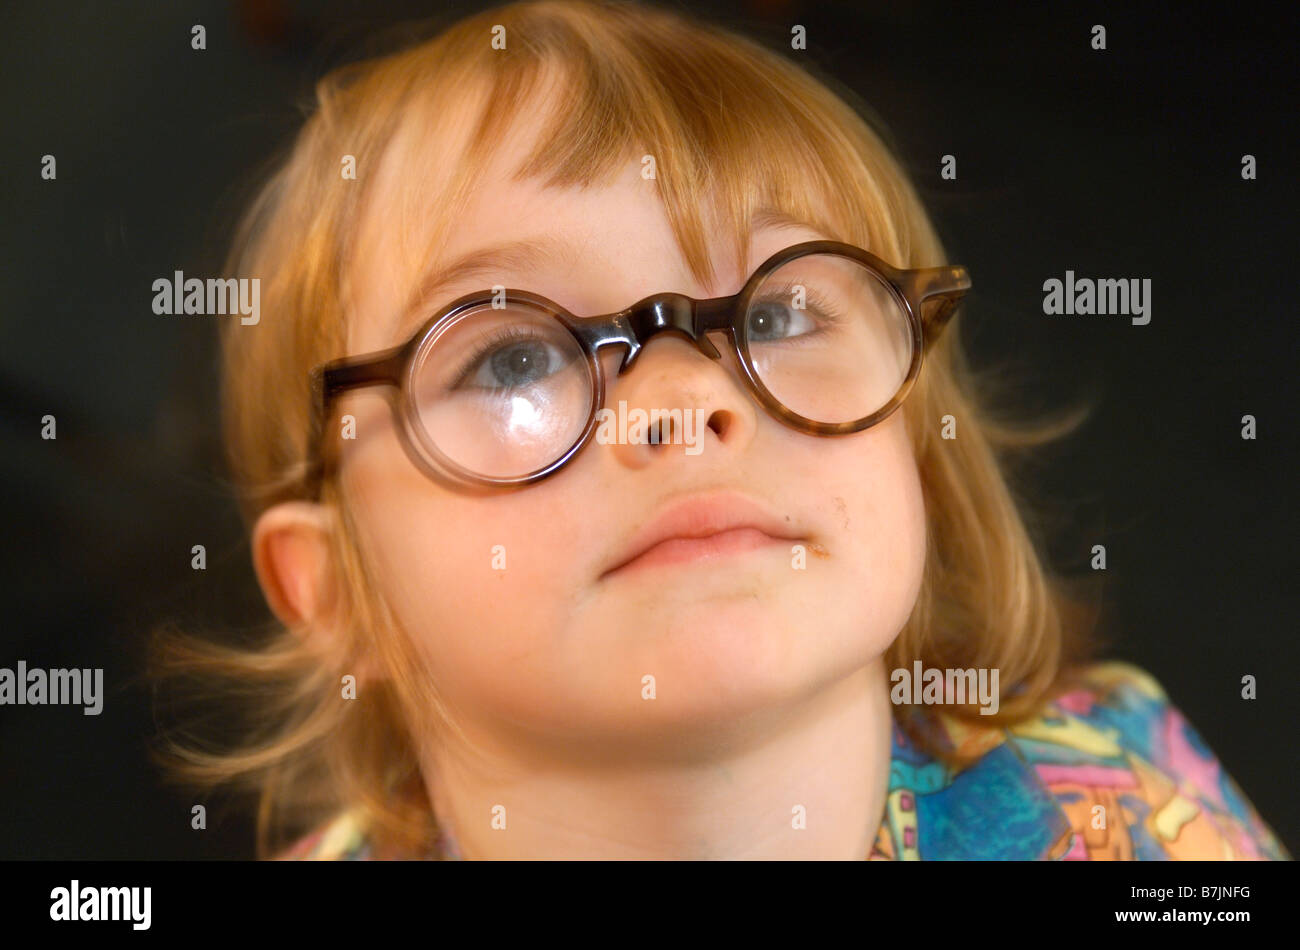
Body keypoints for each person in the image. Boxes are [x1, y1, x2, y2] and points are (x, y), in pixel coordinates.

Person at [153, 0, 1289, 861]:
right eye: (510, 356)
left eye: (777, 311)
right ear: (333, 588)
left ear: (917, 446)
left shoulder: (1120, 793)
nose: (685, 403)